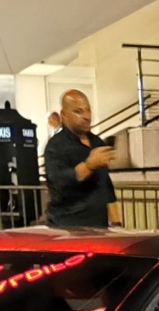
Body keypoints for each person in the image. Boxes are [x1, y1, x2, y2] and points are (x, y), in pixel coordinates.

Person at [43, 90, 121, 229]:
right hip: (67, 227)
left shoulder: (96, 142)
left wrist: (116, 221)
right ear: (64, 114)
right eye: (78, 111)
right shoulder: (56, 146)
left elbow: (105, 184)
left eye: (88, 110)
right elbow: (60, 183)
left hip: (99, 226)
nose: (86, 116)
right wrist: (89, 165)